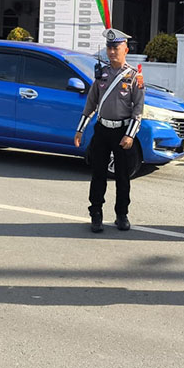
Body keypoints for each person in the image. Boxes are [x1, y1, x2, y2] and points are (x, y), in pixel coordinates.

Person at [74, 28, 144, 233]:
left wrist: (130, 135)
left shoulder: (134, 77)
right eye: (109, 48)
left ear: (126, 50)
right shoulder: (100, 75)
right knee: (98, 174)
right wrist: (79, 130)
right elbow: (90, 104)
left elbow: (138, 110)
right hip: (102, 130)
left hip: (122, 132)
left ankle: (121, 214)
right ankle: (96, 213)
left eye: (116, 48)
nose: (112, 52)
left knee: (123, 176)